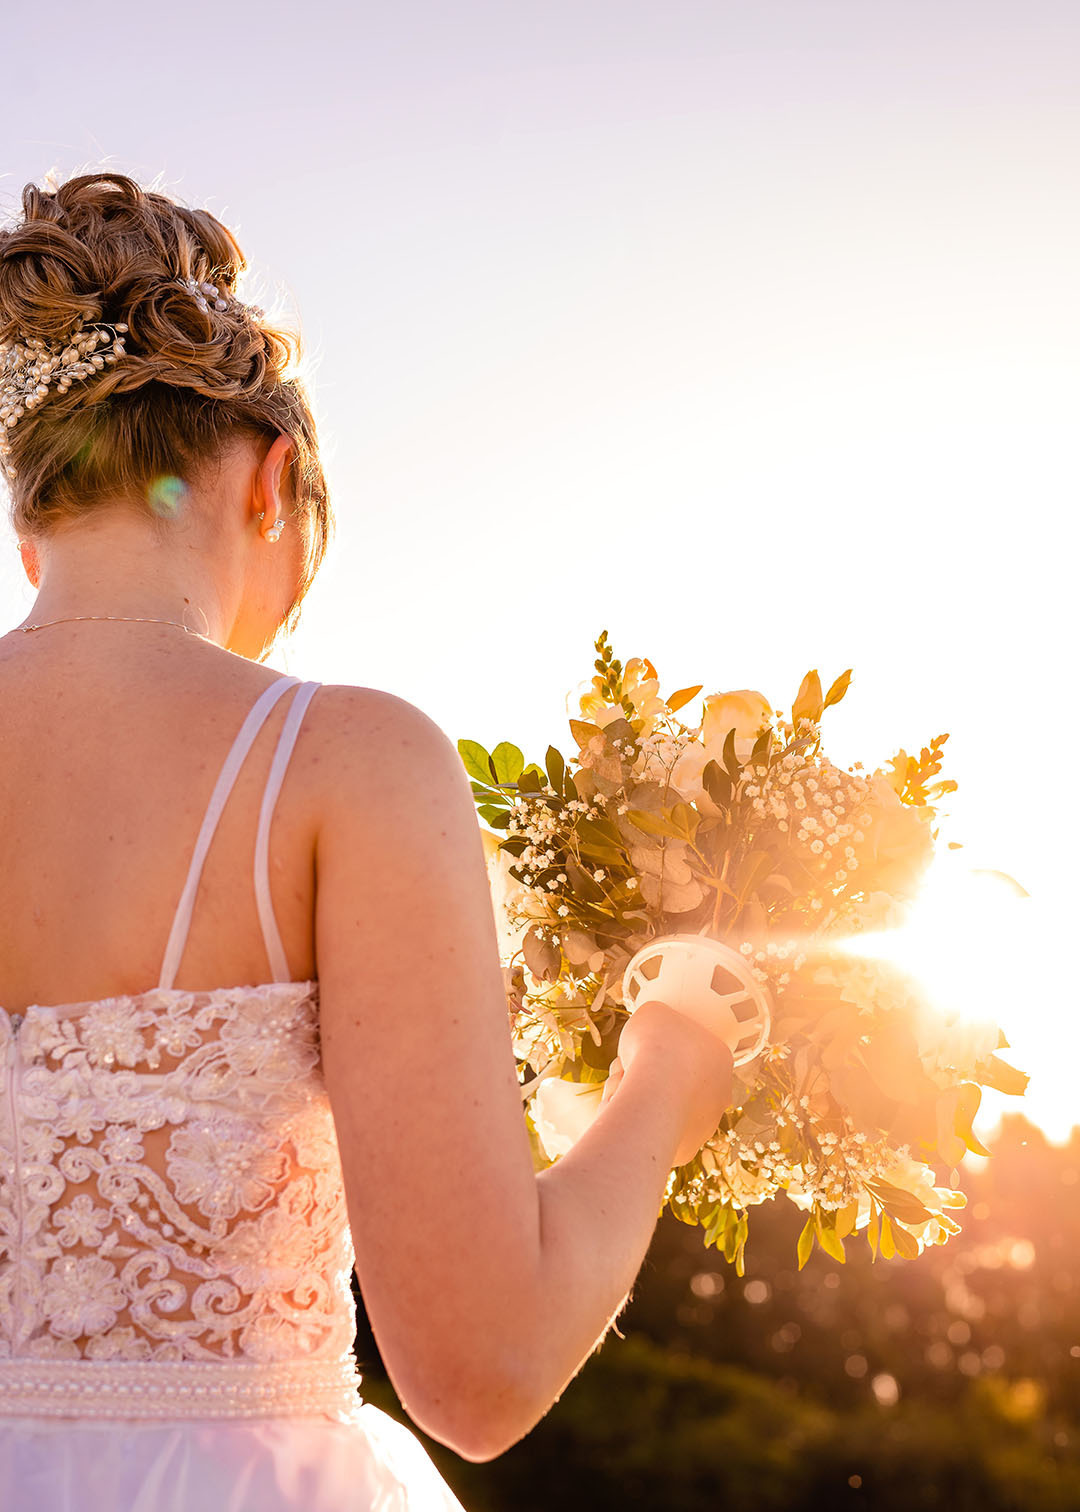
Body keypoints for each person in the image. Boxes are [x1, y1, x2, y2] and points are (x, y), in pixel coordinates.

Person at [0, 170, 734, 1510]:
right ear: (275, 483)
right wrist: (667, 1080)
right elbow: (479, 1372)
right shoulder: (342, 765)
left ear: (28, 518)